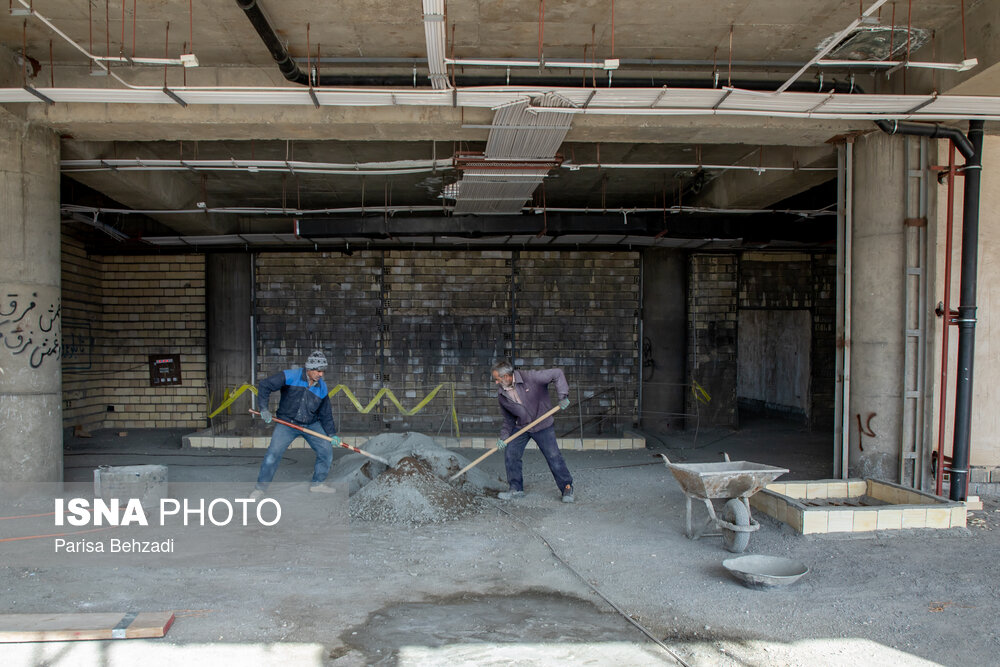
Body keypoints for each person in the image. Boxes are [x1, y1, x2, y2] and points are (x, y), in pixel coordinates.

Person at [251, 350, 340, 497]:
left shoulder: (322, 387)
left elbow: (325, 413)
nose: (321, 374)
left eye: (323, 371)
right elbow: (265, 385)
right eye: (318, 371)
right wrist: (264, 409)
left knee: (326, 450)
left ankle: (318, 484)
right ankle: (260, 488)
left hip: (311, 423)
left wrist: (331, 434)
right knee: (273, 454)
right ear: (309, 369)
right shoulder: (291, 376)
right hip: (287, 423)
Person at [491, 359, 574, 503]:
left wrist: (563, 396)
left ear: (506, 376)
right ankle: (516, 489)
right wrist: (504, 437)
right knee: (511, 454)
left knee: (554, 457)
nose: (496, 383)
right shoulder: (502, 395)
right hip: (521, 426)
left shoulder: (531, 377)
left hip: (542, 424)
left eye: (497, 379)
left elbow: (557, 373)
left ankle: (567, 487)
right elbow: (508, 419)